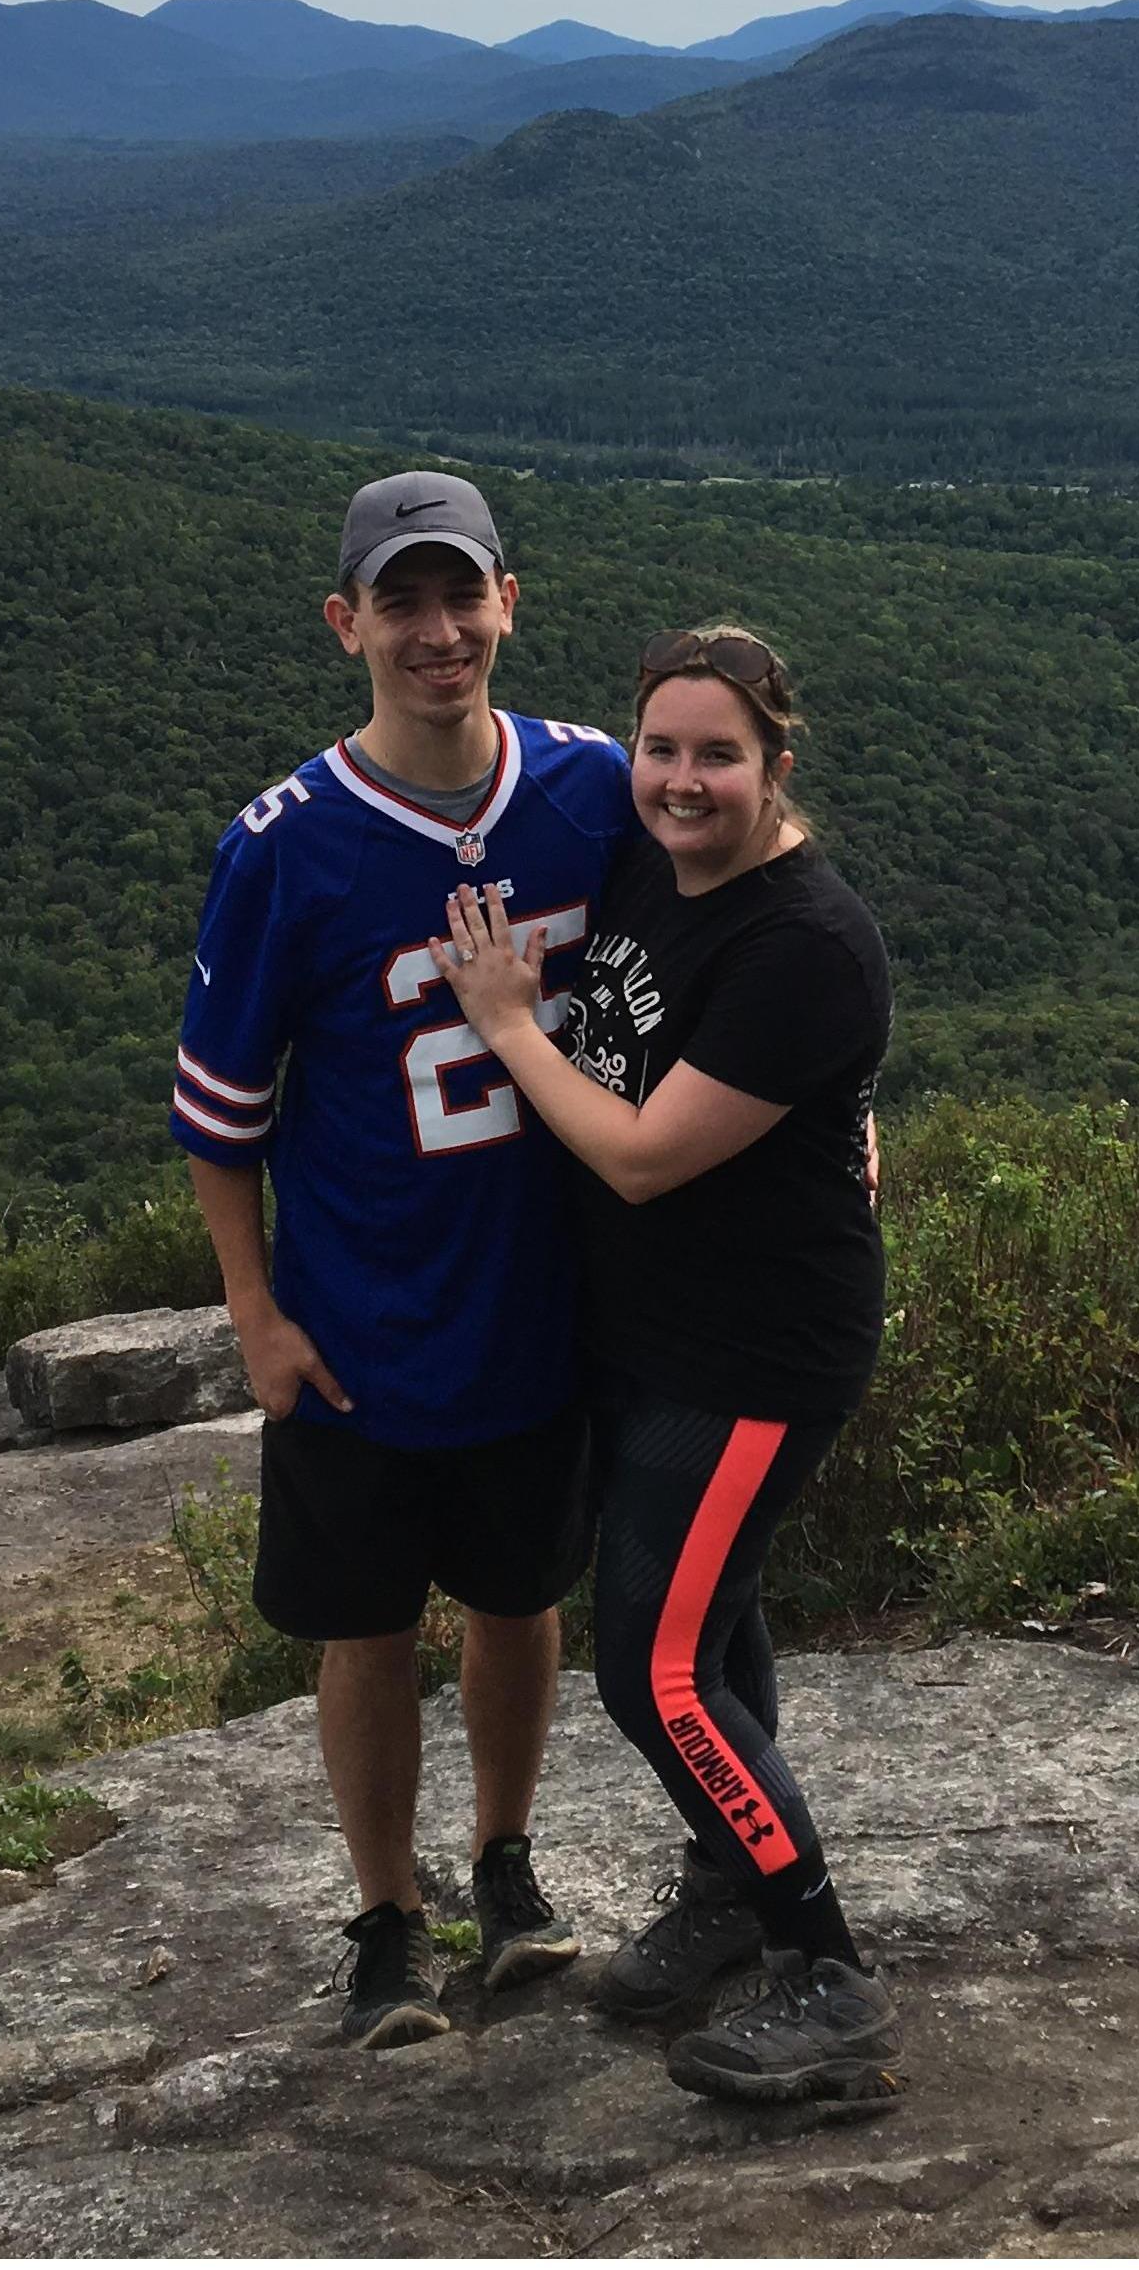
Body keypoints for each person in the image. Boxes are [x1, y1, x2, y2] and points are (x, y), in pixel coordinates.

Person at [177, 469, 635, 2049]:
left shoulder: (590, 784)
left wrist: (830, 1096)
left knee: (519, 1597)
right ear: (345, 621)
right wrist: (254, 1312)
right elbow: (217, 1114)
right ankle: (385, 1917)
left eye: (463, 595)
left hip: (537, 1304)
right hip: (359, 1318)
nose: (437, 632)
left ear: (512, 597)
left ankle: (506, 1866)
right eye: (402, 601)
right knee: (362, 1623)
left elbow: (754, 912)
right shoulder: (286, 845)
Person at [441, 622, 901, 2111]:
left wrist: (507, 1023)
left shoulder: (803, 942)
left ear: (778, 761)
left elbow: (640, 1156)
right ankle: (728, 1889)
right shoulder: (657, 861)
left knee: (653, 1667)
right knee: (716, 1622)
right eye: (662, 748)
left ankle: (824, 1970)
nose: (682, 779)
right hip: (651, 1337)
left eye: (719, 754)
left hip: (754, 1358)